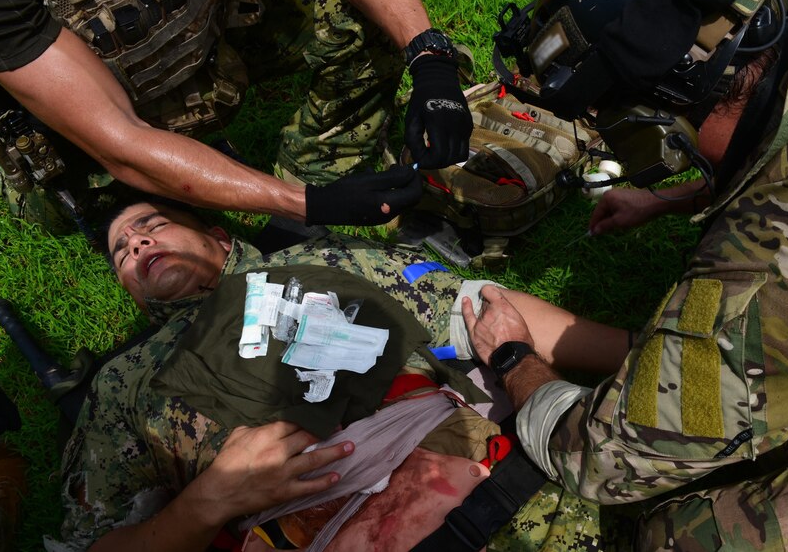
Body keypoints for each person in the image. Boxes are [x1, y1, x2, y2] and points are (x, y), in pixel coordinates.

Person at [464, 0, 788, 547]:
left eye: (601, 113)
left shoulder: (773, 264)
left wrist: (514, 358)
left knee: (678, 535)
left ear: (657, 118)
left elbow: (602, 459)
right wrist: (680, 197)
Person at [44, 196, 621, 551]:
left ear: (220, 239)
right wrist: (208, 502)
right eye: (123, 251)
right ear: (136, 299)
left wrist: (645, 357)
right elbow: (96, 543)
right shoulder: (123, 385)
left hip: (483, 485)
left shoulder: (322, 262)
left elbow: (479, 310)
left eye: (153, 224)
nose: (138, 241)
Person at [0, 0, 473, 233]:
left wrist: (430, 59)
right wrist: (306, 207)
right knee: (82, 206)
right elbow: (120, 140)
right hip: (82, 105)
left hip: (203, 26)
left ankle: (319, 167)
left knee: (353, 17)